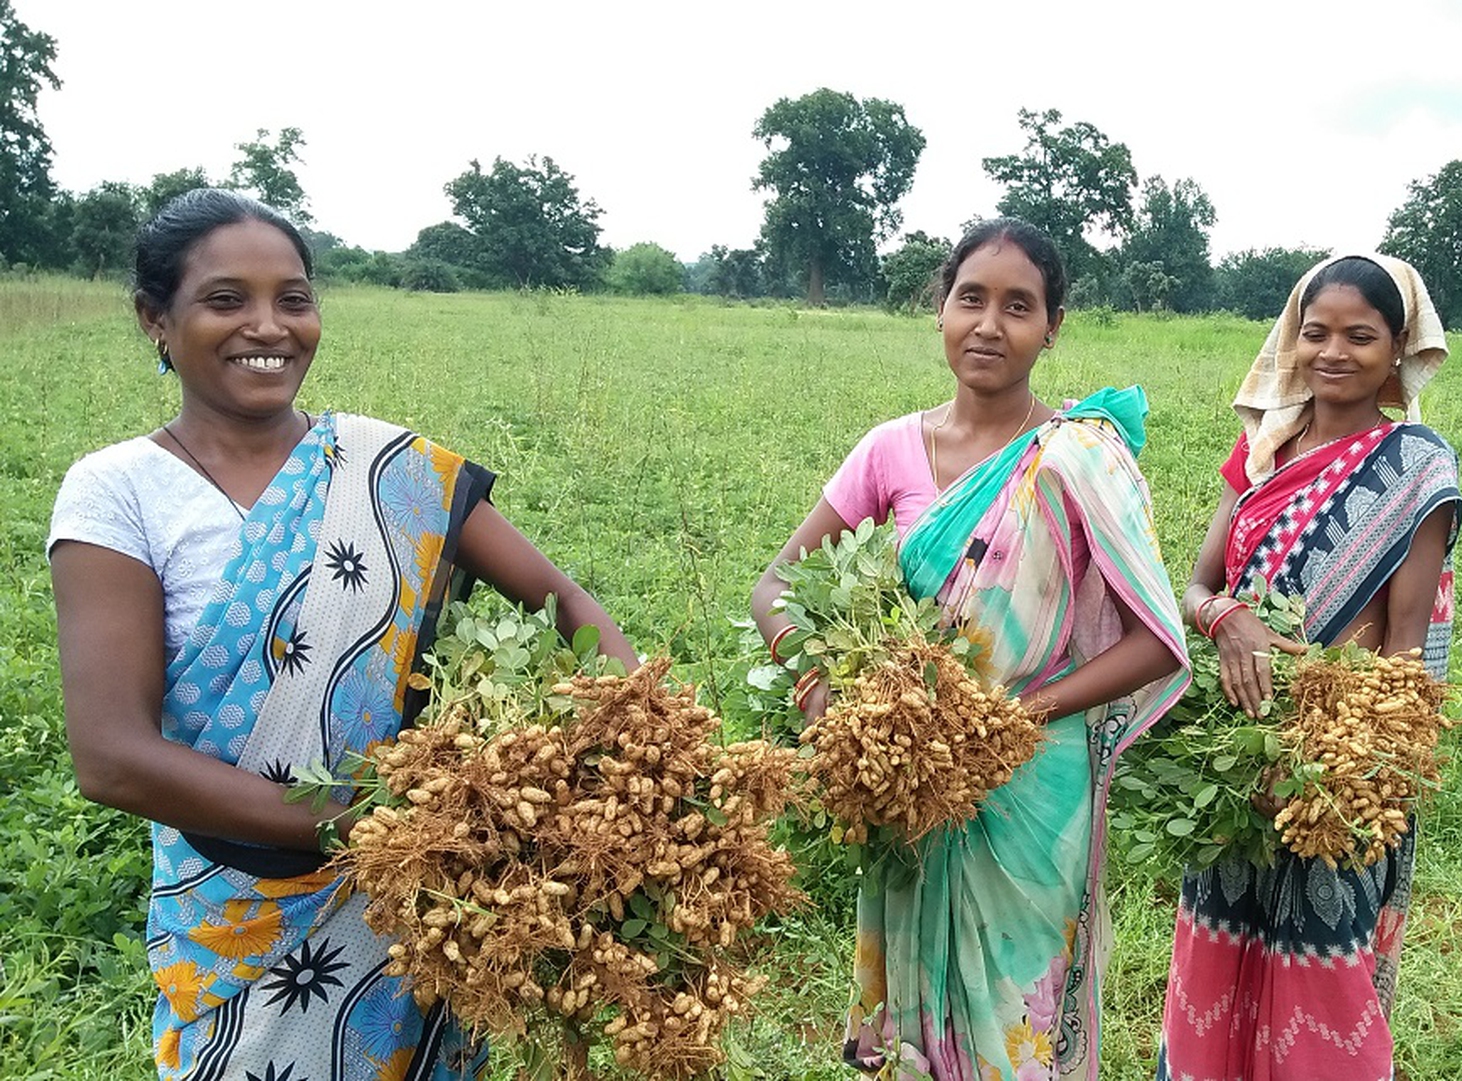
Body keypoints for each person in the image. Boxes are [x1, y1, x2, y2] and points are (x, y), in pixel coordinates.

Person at [47, 189, 640, 1081]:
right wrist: (372, 826)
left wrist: (636, 731)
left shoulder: (382, 468)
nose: (269, 326)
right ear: (154, 320)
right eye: (225, 299)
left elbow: (559, 598)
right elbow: (112, 756)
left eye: (294, 298)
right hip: (246, 905)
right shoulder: (118, 492)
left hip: (420, 909)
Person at [750, 217, 1190, 1080]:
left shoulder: (1078, 456)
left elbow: (1156, 641)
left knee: (1016, 1029)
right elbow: (775, 585)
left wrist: (1009, 717)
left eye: (1018, 306)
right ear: (940, 309)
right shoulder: (888, 449)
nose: (990, 324)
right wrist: (827, 700)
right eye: (971, 299)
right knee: (916, 1025)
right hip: (911, 784)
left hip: (1029, 778)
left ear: (1052, 326)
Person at [1157, 253, 1462, 1080]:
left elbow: (1404, 647)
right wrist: (1226, 618)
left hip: (1335, 762)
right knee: (1222, 950)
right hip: (1237, 745)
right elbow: (1194, 584)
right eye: (1316, 332)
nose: (1334, 352)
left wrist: (1341, 759)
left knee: (1326, 974)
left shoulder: (1416, 467)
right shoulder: (1261, 448)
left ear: (1398, 347)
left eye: (1360, 336)